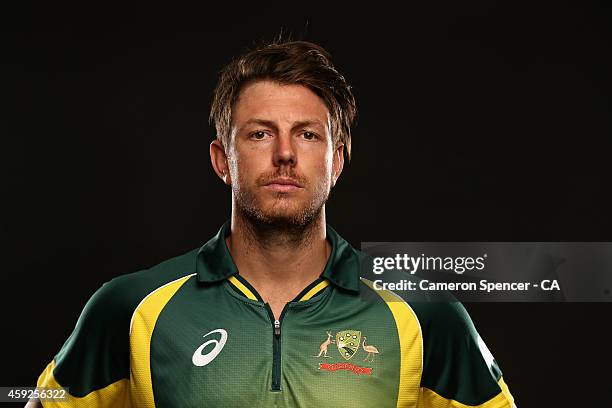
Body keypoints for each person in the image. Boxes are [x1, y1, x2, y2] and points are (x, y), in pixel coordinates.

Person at [28, 39, 516, 407]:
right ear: (223, 160)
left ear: (336, 161)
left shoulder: (424, 317)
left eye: (306, 134)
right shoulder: (131, 308)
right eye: (260, 134)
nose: (285, 154)